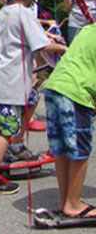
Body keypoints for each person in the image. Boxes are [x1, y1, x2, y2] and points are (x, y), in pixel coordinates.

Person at [0, 0, 67, 195]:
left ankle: (17, 144)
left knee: (32, 97)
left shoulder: (7, 10)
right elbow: (43, 46)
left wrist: (45, 33)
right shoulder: (23, 13)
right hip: (9, 78)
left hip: (4, 74)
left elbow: (25, 34)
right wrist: (68, 48)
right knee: (6, 129)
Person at [43, 19, 96, 218]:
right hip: (76, 92)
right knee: (80, 150)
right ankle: (73, 204)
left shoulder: (88, 29)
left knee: (63, 148)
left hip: (54, 86)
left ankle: (66, 200)